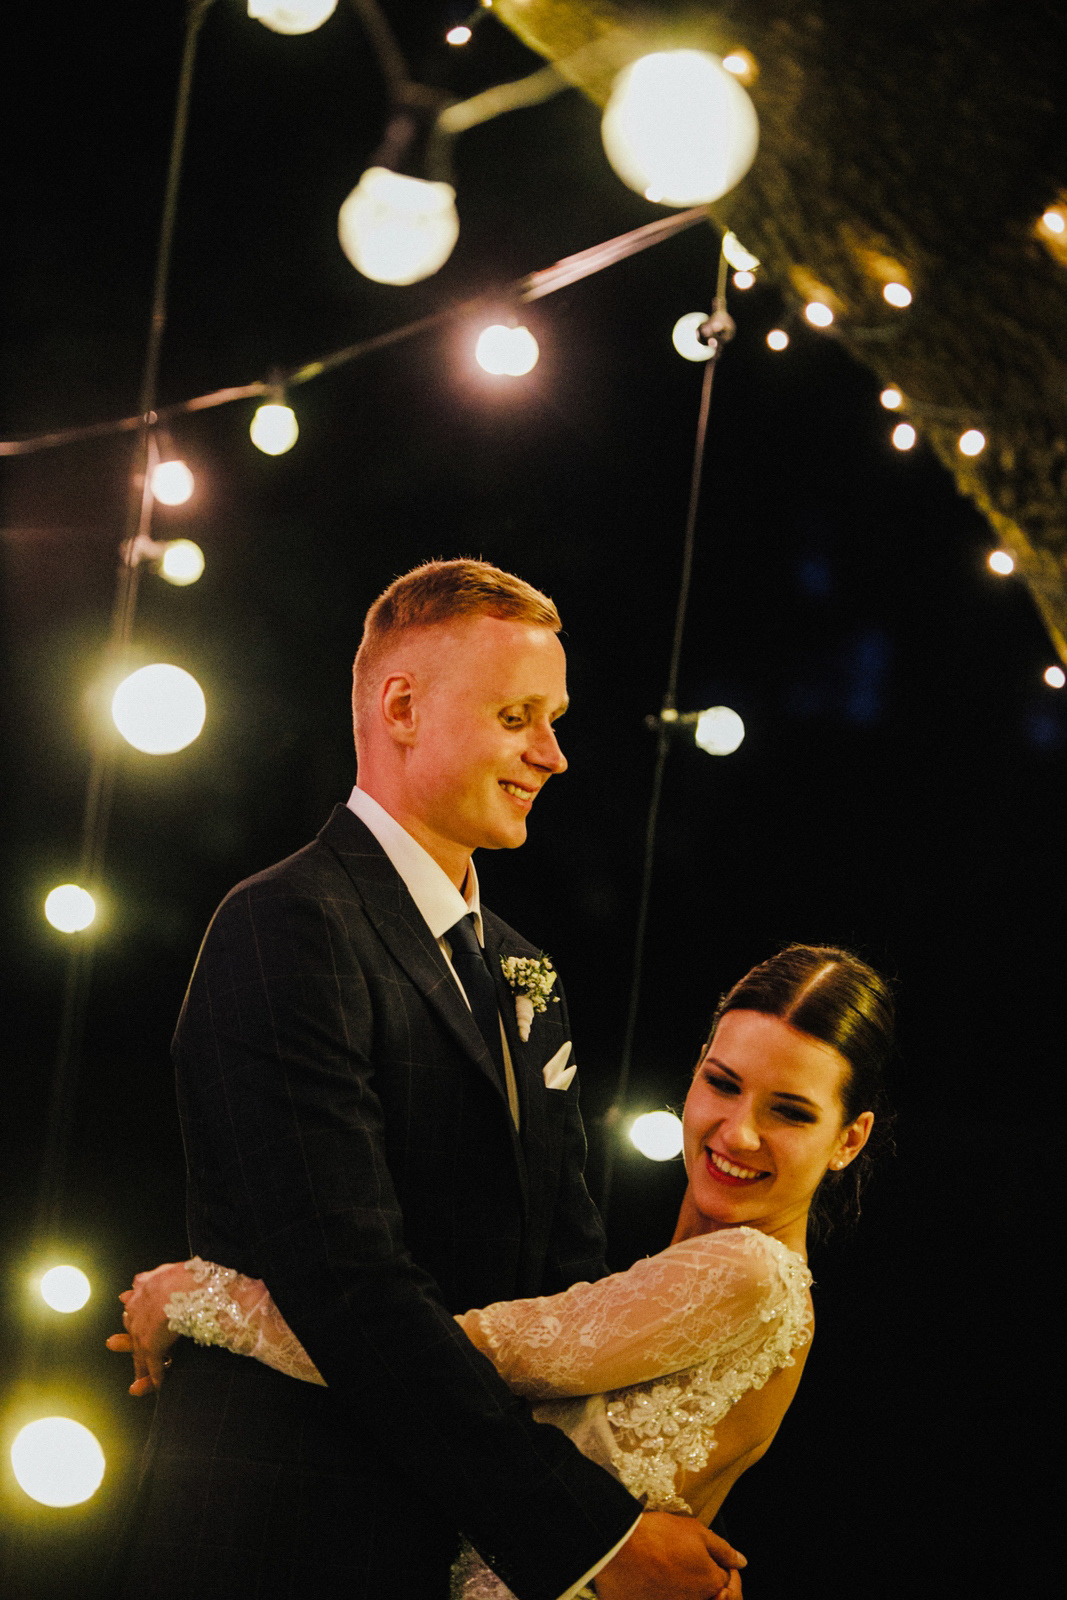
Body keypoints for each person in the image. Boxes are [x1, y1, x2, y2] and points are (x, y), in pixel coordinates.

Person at [111, 559, 745, 1600]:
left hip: (463, 1543)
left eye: (553, 719)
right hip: (294, 1534)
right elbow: (346, 1280)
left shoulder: (523, 967)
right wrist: (589, 1538)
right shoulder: (286, 924)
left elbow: (564, 1280)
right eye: (516, 716)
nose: (552, 753)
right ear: (402, 708)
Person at [114, 943, 893, 1600]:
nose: (738, 1132)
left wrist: (198, 1296)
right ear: (693, 1074)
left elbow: (426, 1360)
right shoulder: (717, 1275)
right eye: (722, 1084)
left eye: (789, 1112)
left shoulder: (750, 1272)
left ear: (849, 1139)